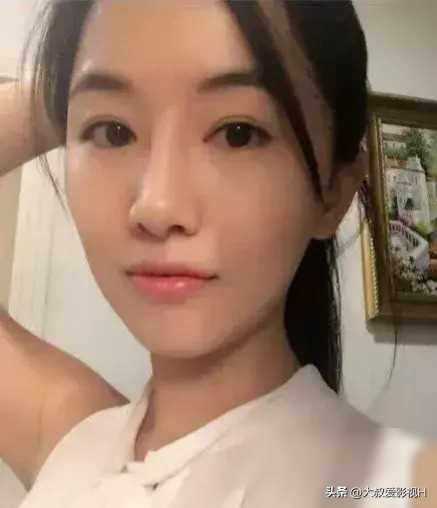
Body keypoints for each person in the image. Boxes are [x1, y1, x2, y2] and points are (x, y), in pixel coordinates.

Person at [0, 0, 436, 506]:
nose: (158, 206)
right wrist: (71, 79)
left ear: (333, 193)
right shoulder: (72, 442)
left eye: (237, 134)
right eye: (113, 131)